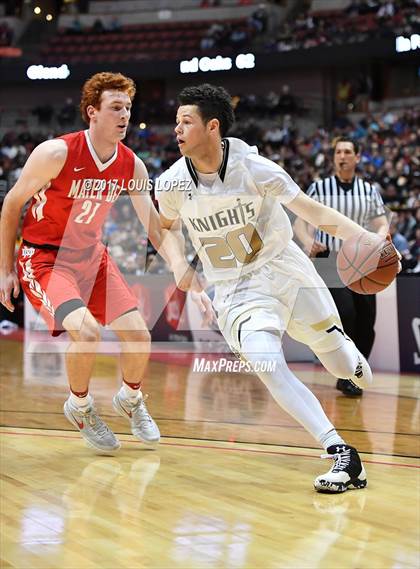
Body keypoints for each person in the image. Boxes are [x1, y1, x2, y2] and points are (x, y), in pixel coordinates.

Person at [155, 83, 389, 493]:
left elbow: (313, 212)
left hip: (286, 270)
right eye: (176, 122)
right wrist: (178, 263)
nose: (176, 129)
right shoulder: (171, 184)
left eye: (185, 122)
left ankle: (347, 356)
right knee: (266, 362)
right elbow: (166, 230)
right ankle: (340, 452)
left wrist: (368, 242)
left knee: (345, 368)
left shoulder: (256, 168)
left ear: (212, 127)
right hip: (236, 290)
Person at [0, 72, 161, 452]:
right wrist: (5, 269)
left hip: (93, 257)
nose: (124, 116)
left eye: (128, 108)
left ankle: (131, 399)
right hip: (45, 259)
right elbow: (11, 204)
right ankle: (81, 406)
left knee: (139, 336)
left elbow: (153, 225)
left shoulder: (131, 164)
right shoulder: (56, 153)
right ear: (93, 112)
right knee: (87, 332)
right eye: (116, 108)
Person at [294, 137, 388, 396]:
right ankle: (347, 372)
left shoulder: (368, 191)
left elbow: (381, 223)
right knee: (345, 313)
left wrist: (379, 237)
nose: (342, 156)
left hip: (362, 259)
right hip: (330, 258)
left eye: (348, 151)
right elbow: (300, 224)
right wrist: (307, 240)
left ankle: (357, 374)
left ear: (357, 157)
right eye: (338, 152)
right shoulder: (319, 187)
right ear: (334, 157)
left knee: (367, 321)